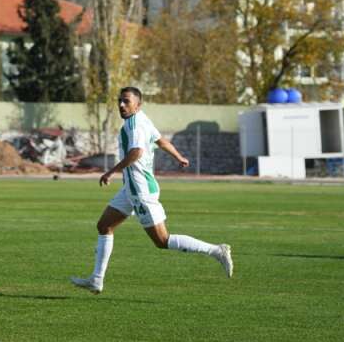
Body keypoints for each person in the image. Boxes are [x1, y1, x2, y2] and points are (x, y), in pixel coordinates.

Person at [70, 87, 233, 294]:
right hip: (130, 188)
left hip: (140, 190)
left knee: (162, 241)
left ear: (137, 105)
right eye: (120, 101)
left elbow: (136, 152)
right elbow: (160, 140)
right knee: (104, 226)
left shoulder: (134, 124)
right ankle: (96, 279)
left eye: (126, 101)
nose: (121, 105)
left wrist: (111, 171)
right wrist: (178, 156)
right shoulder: (142, 119)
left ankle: (216, 250)